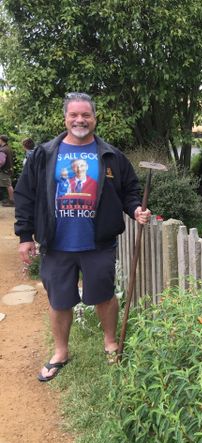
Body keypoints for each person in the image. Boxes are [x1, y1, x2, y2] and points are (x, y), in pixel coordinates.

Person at [14, 92, 151, 382]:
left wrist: (136, 209)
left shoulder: (111, 155)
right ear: (65, 118)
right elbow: (25, 195)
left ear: (94, 118)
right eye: (74, 115)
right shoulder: (45, 154)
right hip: (56, 242)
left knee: (103, 295)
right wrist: (25, 236)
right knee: (60, 300)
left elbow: (129, 190)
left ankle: (110, 343)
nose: (80, 120)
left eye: (86, 115)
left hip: (97, 242)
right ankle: (61, 352)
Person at [0, 135, 15, 207]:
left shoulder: (3, 150)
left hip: (4, 171)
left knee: (8, 185)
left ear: (1, 140)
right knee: (8, 185)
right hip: (8, 170)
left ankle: (12, 201)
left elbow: (1, 162)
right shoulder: (8, 148)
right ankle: (11, 200)